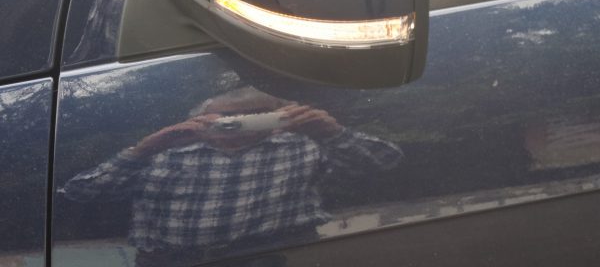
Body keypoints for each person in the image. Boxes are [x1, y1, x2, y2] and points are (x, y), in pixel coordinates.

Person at [62, 87, 402, 266]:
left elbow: (384, 164)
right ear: (200, 118)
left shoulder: (302, 145)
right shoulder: (165, 152)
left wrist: (332, 132)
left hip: (277, 256)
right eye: (227, 118)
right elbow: (81, 193)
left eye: (257, 115)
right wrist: (143, 149)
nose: (240, 124)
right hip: (176, 262)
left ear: (280, 116)